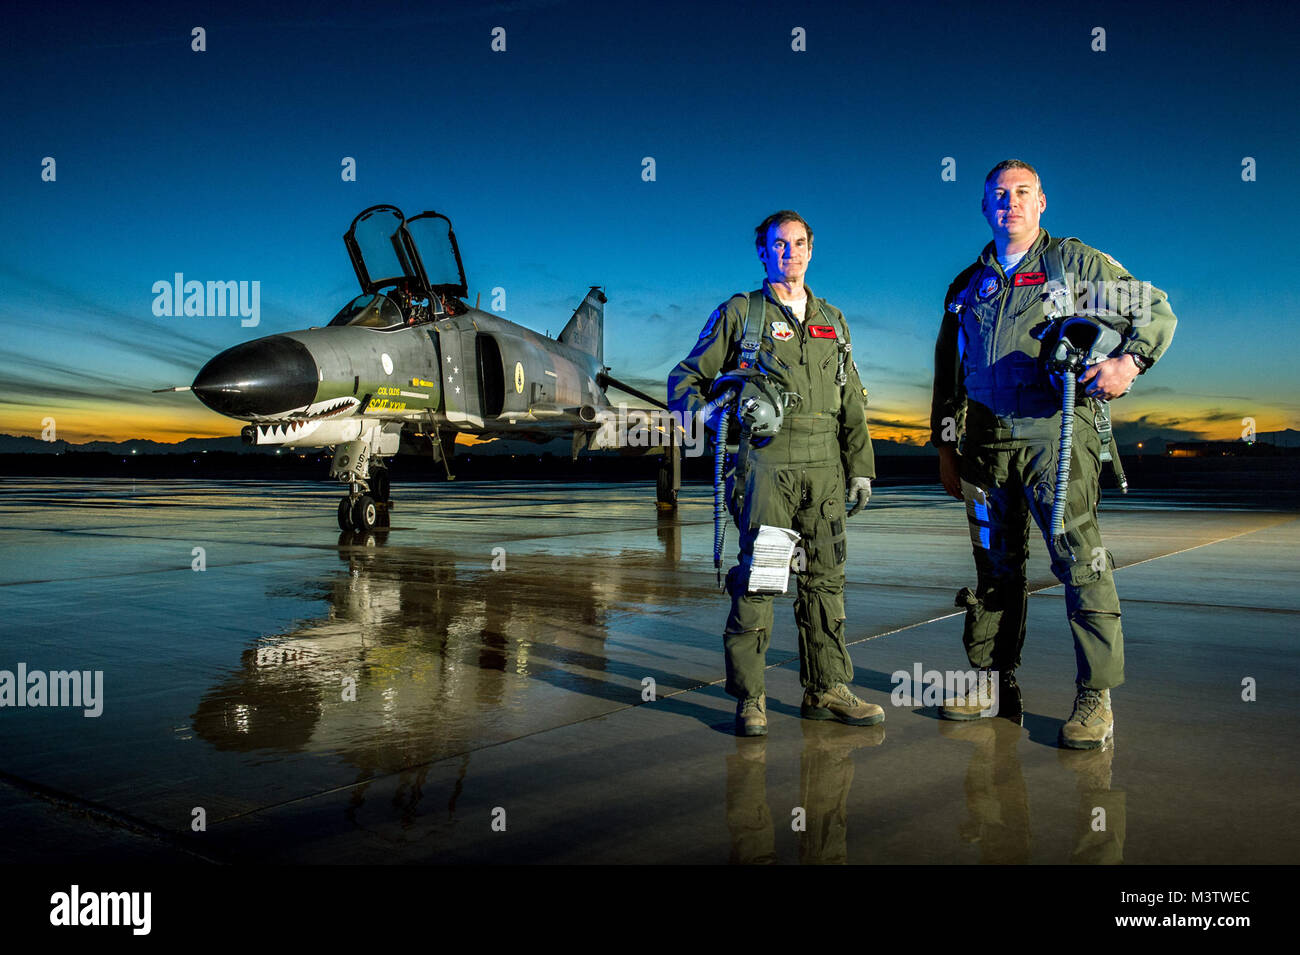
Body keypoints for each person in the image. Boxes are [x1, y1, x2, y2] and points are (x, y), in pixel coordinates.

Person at [930, 160, 1176, 748]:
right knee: (995, 567)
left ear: (1042, 203)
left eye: (1021, 193)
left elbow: (1156, 310)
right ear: (984, 206)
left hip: (1056, 435)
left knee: (1080, 562)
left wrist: (1129, 362)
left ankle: (1096, 696)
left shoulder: (1071, 267)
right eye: (998, 195)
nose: (1009, 203)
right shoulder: (968, 284)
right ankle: (993, 680)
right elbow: (948, 372)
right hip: (985, 444)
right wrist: (945, 444)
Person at [669, 211, 880, 737]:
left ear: (812, 249)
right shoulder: (743, 314)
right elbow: (685, 381)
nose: (791, 253)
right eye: (779, 245)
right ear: (763, 253)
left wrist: (861, 469)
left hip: (827, 465)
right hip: (767, 463)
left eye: (799, 243)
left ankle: (826, 688)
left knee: (825, 582)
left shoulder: (834, 318)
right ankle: (751, 698)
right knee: (762, 580)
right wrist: (716, 414)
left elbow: (852, 398)